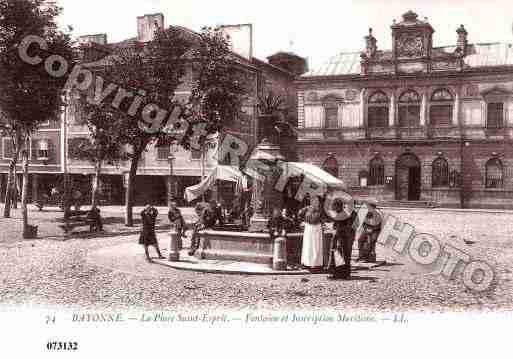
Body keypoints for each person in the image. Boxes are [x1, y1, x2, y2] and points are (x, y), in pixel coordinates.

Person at [328, 200, 357, 280]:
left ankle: (345, 274)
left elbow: (352, 226)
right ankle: (337, 273)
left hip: (345, 237)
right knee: (337, 254)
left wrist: (339, 230)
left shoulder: (351, 214)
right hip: (339, 236)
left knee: (345, 255)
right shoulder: (340, 213)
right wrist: (334, 229)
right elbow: (335, 224)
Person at [298, 196, 325, 272]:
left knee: (316, 247)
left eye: (317, 201)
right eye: (314, 201)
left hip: (317, 228)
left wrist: (323, 223)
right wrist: (302, 222)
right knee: (308, 246)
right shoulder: (307, 208)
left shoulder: (321, 210)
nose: (316, 203)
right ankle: (306, 264)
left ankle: (316, 265)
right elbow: (299, 214)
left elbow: (323, 218)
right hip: (309, 228)